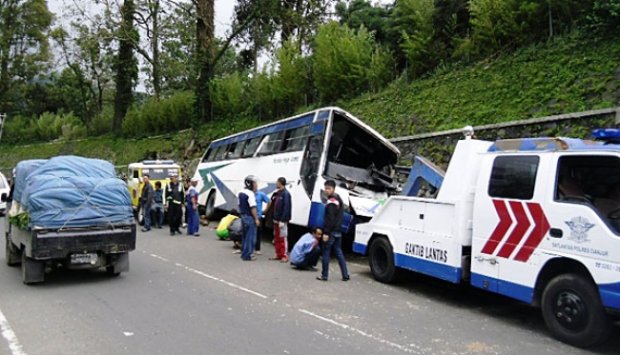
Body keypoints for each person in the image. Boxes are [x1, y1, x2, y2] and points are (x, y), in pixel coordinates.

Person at [317, 179, 350, 282]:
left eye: (329, 188)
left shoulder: (331, 202)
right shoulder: (339, 199)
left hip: (331, 231)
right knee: (339, 252)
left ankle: (324, 275)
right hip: (338, 230)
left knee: (326, 252)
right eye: (325, 188)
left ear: (333, 189)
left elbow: (330, 219)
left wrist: (326, 233)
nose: (327, 190)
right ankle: (345, 274)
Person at [238, 175, 260, 261]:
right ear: (250, 184)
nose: (256, 185)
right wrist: (256, 219)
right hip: (249, 217)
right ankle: (248, 255)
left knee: (245, 236)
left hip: (243, 216)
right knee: (250, 237)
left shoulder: (241, 192)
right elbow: (253, 208)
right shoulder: (250, 194)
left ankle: (244, 252)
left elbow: (239, 205)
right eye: (255, 183)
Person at [270, 177, 291, 262]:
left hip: (281, 220)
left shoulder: (286, 194)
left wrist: (283, 219)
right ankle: (278, 254)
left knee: (283, 238)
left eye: (277, 182)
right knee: (277, 237)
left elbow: (287, 207)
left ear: (280, 183)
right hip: (276, 219)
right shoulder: (278, 193)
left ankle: (284, 255)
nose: (276, 183)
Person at [254, 189, 270, 255]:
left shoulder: (260, 194)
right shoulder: (249, 194)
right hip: (251, 216)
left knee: (257, 233)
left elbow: (269, 201)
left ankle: (257, 249)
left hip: (258, 216)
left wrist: (265, 210)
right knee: (249, 232)